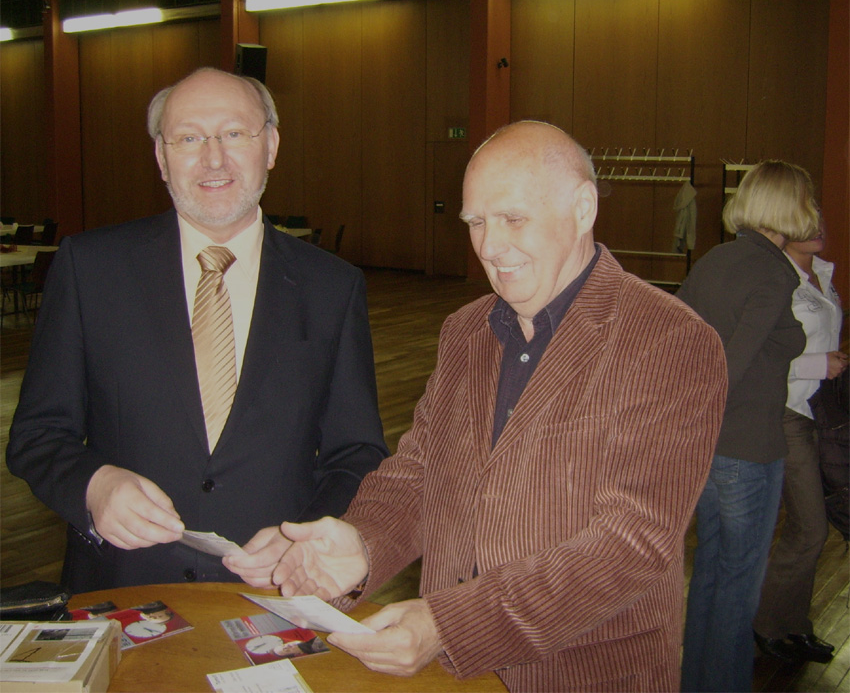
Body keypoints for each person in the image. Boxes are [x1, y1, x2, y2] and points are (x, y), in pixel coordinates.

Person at [255, 121, 728, 692]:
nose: (489, 245)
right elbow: (420, 472)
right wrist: (360, 542)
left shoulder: (667, 338)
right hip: (456, 677)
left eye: (513, 218)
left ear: (582, 208)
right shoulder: (466, 330)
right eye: (476, 222)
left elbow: (631, 544)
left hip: (584, 676)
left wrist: (451, 624)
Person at [6, 67, 388, 593]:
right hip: (121, 587)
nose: (213, 158)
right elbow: (37, 435)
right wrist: (93, 486)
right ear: (162, 158)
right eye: (188, 138)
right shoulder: (91, 269)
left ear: (271, 146)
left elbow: (357, 452)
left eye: (234, 134)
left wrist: (306, 535)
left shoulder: (333, 287)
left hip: (272, 589)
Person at [677, 160, 822, 692]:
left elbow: (685, 340)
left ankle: (697, 682)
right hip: (749, 451)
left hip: (710, 449)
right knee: (738, 589)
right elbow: (729, 371)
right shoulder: (771, 272)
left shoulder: (717, 259)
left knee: (712, 577)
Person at [752, 221, 847, 664]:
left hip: (819, 415)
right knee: (810, 527)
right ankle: (767, 624)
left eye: (817, 216)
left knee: (810, 527)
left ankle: (795, 625)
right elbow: (759, 356)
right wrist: (817, 364)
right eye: (802, 219)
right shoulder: (776, 279)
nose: (817, 226)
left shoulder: (821, 276)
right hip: (788, 412)